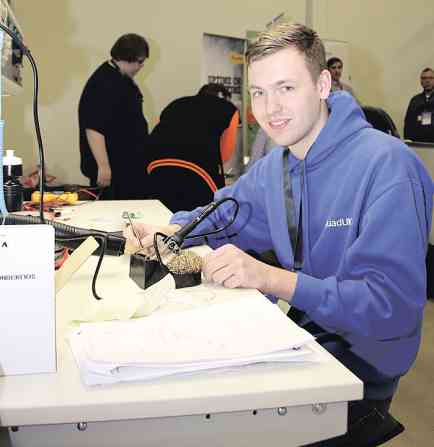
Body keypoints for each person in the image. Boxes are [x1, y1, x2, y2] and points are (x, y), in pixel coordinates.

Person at [126, 23, 432, 445]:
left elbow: (388, 308)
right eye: (258, 92)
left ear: (323, 83)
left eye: (286, 88)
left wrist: (270, 279)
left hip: (360, 372)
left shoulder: (388, 167)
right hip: (304, 339)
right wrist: (172, 229)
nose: (270, 109)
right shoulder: (277, 167)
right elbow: (228, 210)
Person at [146, 83, 239, 211]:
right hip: (198, 170)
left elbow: (158, 133)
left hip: (156, 164)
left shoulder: (175, 104)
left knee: (162, 213)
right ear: (226, 99)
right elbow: (225, 153)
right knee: (204, 216)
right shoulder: (229, 109)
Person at [78, 33, 150, 200]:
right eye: (140, 61)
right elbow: (93, 127)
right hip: (116, 171)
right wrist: (103, 167)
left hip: (128, 168)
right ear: (127, 57)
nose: (141, 66)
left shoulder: (121, 78)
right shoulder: (104, 82)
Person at [404, 67, 434, 142]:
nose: (427, 81)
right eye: (424, 78)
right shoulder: (415, 100)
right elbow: (408, 123)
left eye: (430, 78)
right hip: (418, 144)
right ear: (421, 81)